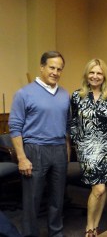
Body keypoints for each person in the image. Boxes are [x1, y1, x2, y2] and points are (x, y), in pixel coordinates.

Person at [9, 51, 70, 237]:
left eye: (59, 69)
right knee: (32, 199)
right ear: (42, 67)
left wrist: (66, 151)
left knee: (57, 199)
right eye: (52, 67)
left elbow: (66, 126)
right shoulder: (24, 93)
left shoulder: (65, 94)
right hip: (34, 150)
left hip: (59, 150)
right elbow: (15, 127)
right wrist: (21, 158)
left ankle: (56, 233)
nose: (55, 72)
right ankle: (30, 234)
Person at [70, 59, 107, 237]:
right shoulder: (77, 95)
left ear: (104, 75)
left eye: (99, 73)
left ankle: (96, 225)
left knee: (103, 188)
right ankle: (89, 228)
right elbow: (73, 122)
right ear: (86, 75)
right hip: (87, 148)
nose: (95, 76)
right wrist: (78, 142)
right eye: (92, 72)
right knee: (97, 189)